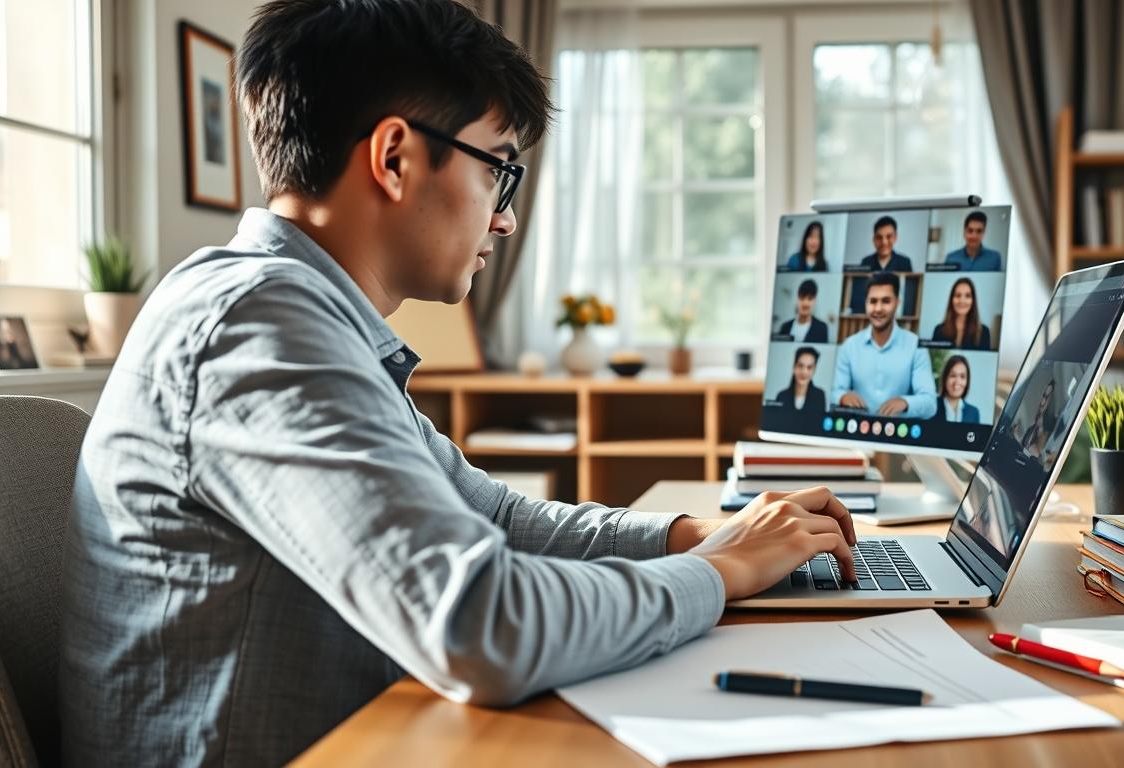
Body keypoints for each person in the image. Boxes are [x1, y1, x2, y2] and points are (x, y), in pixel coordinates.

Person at [60, 2, 858, 765]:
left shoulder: (305, 313)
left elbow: (495, 515)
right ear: (396, 157)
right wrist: (722, 573)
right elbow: (483, 625)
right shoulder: (259, 323)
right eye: (498, 173)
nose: (505, 219)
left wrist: (692, 537)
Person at [830, 272, 936, 418]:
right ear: (866, 304)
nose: (878, 308)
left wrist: (905, 402)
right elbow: (833, 392)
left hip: (898, 436)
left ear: (897, 303)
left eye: (886, 301)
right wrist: (842, 397)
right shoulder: (849, 346)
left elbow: (930, 403)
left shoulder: (916, 346)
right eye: (873, 301)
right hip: (857, 434)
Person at [930, 277, 992, 350]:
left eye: (967, 296)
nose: (962, 300)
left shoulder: (984, 332)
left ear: (973, 301)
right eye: (958, 295)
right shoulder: (938, 330)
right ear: (951, 300)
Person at [1012, 377, 1057, 462]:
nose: (1043, 400)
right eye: (1044, 395)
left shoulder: (1046, 422)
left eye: (1046, 397)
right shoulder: (1039, 418)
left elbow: (1037, 451)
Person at [774, 346, 827, 413]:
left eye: (809, 367)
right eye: (800, 366)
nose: (804, 372)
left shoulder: (819, 396)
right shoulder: (781, 396)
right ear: (794, 367)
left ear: (814, 370)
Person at [931, 355, 980, 423]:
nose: (957, 382)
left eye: (962, 376)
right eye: (953, 375)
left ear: (967, 381)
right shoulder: (931, 407)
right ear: (945, 378)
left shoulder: (973, 413)